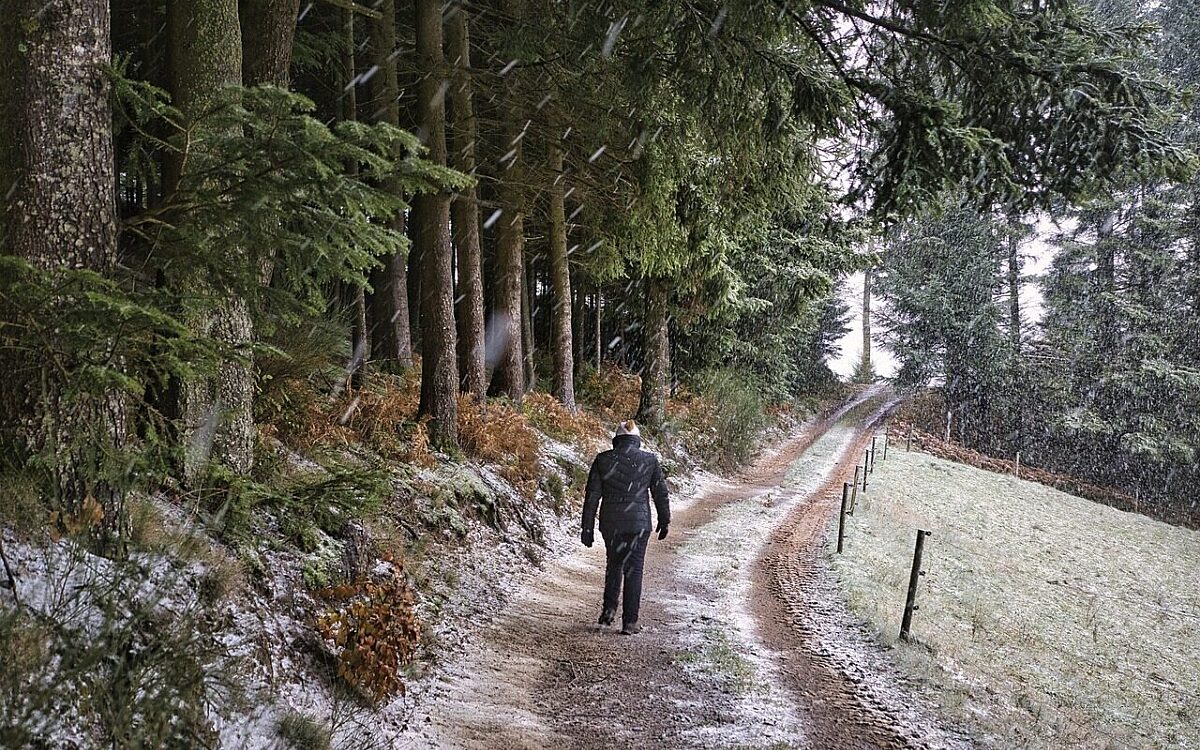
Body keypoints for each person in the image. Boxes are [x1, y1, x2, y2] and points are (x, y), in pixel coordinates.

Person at [580, 419, 670, 635]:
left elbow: (592, 496)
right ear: (637, 440)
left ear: (616, 440)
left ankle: (608, 612)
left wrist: (587, 527)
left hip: (611, 523)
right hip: (639, 524)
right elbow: (660, 492)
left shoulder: (603, 460)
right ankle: (630, 622)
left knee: (614, 565)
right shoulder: (649, 460)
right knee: (634, 569)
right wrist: (664, 519)